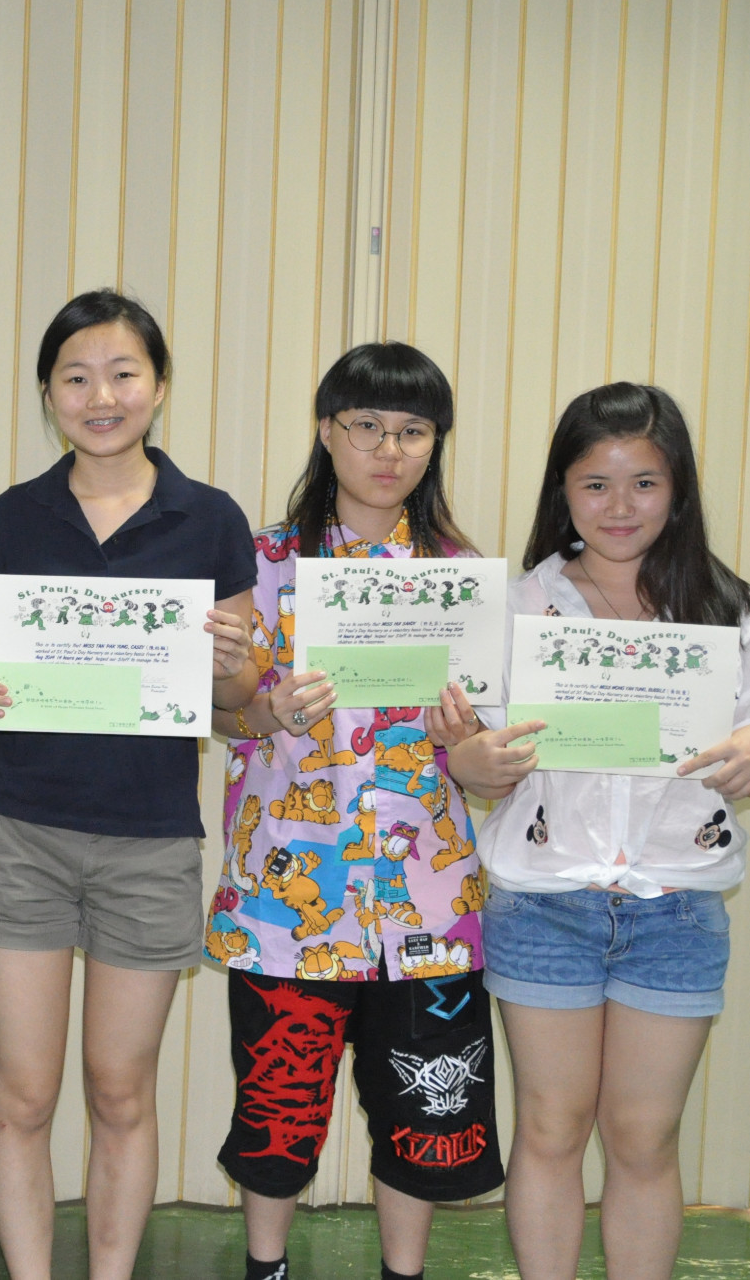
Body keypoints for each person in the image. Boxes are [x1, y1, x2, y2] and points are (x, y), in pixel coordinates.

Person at [440, 382, 750, 1280]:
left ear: (678, 488)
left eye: (645, 481)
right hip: (544, 903)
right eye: (595, 483)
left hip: (676, 908)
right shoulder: (515, 609)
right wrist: (471, 761)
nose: (620, 505)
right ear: (563, 490)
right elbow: (474, 748)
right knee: (551, 1125)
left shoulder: (731, 607)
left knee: (644, 1134)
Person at [0, 290, 260, 1280]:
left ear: (158, 387)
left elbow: (236, 696)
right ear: (49, 393)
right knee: (23, 1093)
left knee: (121, 1090)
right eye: (76, 377)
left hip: (150, 837)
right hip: (22, 831)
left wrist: (234, 665)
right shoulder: (15, 515)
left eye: (124, 374)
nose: (101, 396)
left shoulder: (210, 518)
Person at [205, 343, 504, 1280]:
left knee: (422, 1115)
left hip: (427, 904)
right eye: (366, 425)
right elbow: (217, 711)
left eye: (412, 430)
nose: (389, 448)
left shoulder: (460, 574)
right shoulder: (261, 563)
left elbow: (485, 747)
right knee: (279, 1113)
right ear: (327, 431)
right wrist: (266, 708)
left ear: (435, 443)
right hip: (288, 900)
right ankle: (267, 1268)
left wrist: (467, 738)